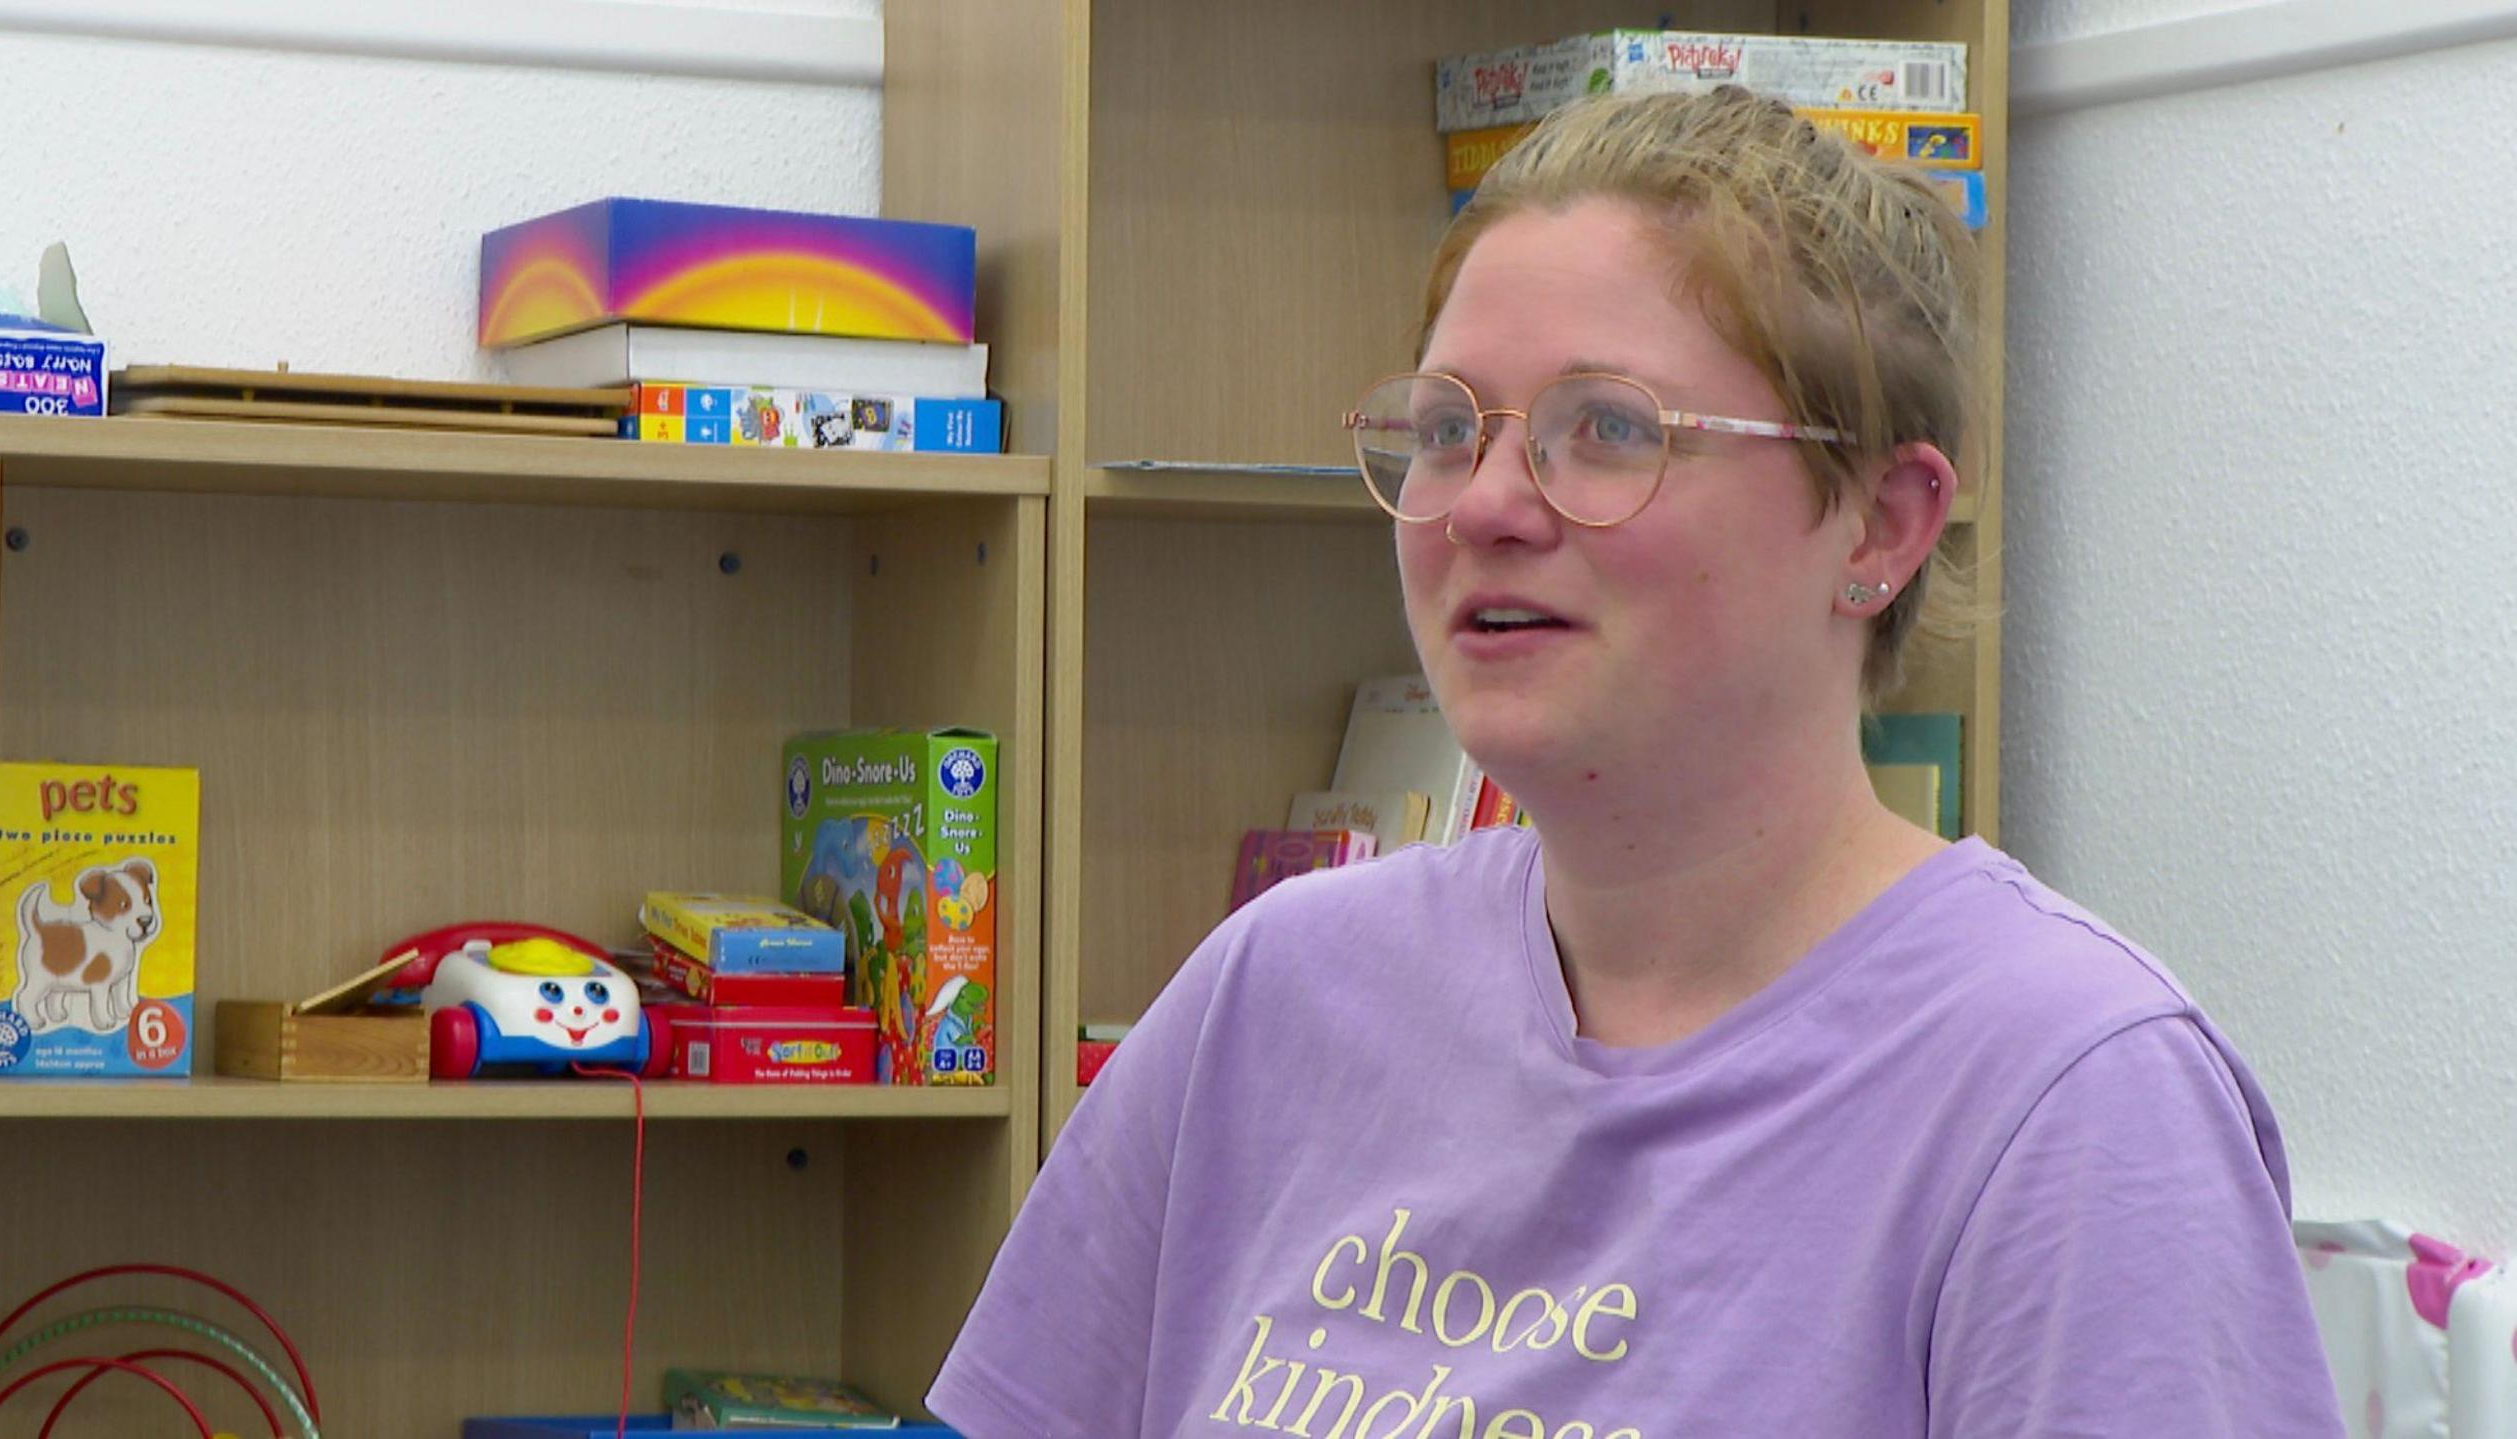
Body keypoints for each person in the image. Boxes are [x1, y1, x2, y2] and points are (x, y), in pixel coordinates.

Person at [929, 88, 2344, 1437]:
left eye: (1604, 431)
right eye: (1444, 431)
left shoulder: (2072, 1101)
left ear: (1881, 525)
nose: (1483, 504)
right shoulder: (1278, 994)